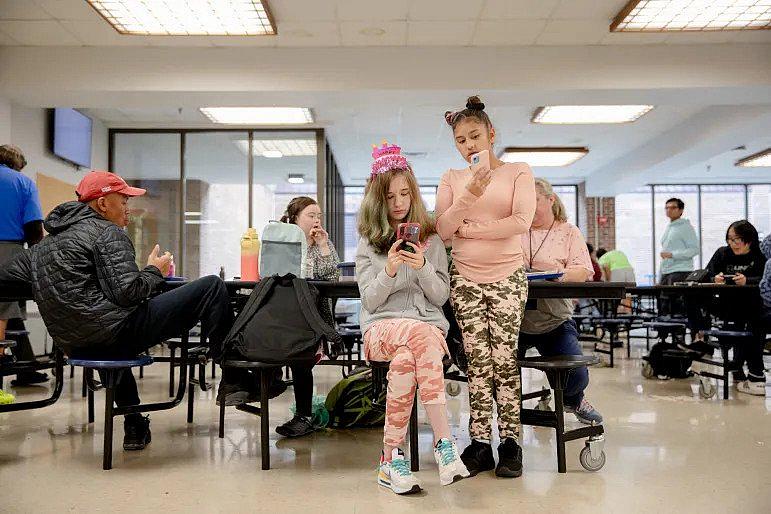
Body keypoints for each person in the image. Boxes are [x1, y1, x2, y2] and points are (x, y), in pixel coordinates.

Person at [0, 171, 235, 451]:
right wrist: (153, 271)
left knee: (106, 329)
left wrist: (52, 285)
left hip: (74, 344)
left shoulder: (44, 247)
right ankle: (235, 378)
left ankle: (134, 424)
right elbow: (128, 294)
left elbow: (7, 275)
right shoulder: (108, 233)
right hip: (116, 334)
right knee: (211, 287)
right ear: (102, 204)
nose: (128, 207)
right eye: (122, 200)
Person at [356, 142, 468, 494]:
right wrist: (389, 269)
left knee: (407, 360)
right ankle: (445, 444)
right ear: (379, 200)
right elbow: (370, 302)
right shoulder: (368, 243)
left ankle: (390, 461)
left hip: (425, 333)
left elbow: (440, 297)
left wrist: (421, 268)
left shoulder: (431, 240)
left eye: (405, 193)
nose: (399, 202)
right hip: (381, 329)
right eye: (390, 197)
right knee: (418, 338)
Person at [435, 96, 536, 478]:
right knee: (477, 361)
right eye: (461, 140)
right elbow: (443, 230)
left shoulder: (518, 171)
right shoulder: (452, 178)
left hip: (508, 275)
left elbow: (522, 221)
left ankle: (510, 441)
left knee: (504, 359)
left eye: (475, 136)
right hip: (465, 278)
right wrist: (470, 196)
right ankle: (479, 444)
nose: (469, 146)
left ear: (491, 134)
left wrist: (471, 229)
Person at [519, 179, 603, 425]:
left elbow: (584, 271)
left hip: (554, 320)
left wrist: (556, 274)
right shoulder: (516, 230)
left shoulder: (568, 232)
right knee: (497, 376)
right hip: (515, 322)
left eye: (535, 201)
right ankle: (510, 419)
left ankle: (574, 399)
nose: (531, 208)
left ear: (550, 200)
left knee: (576, 375)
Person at [273, 196, 341, 438]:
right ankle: (267, 380)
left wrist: (323, 245)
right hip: (281, 314)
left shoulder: (321, 243)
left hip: (309, 317)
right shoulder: (282, 242)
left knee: (302, 357)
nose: (316, 221)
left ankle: (303, 416)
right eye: (311, 215)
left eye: (319, 216)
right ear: (294, 219)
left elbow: (331, 276)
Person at [687, 220, 767, 396]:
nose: (733, 244)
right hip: (726, 304)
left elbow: (765, 279)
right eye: (730, 240)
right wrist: (715, 279)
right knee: (691, 297)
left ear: (749, 239)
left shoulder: (760, 255)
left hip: (754, 306)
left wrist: (748, 281)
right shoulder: (722, 253)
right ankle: (701, 339)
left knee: (753, 328)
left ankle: (750, 372)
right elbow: (707, 274)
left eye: (737, 240)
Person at [0, 144, 48, 387]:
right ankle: (17, 367)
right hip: (8, 252)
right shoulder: (22, 182)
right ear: (16, 163)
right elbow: (33, 228)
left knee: (10, 311)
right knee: (5, 308)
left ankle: (27, 367)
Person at [659, 198, 699, 316]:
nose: (669, 210)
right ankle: (664, 333)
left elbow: (694, 249)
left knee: (676, 305)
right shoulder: (670, 227)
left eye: (673, 207)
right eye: (666, 208)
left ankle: (678, 333)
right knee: (663, 304)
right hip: (667, 270)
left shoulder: (685, 227)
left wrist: (672, 254)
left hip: (680, 271)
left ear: (681, 210)